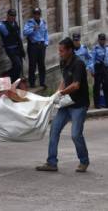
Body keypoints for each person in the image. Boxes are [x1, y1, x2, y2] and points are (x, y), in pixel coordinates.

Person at [36, 37, 90, 173]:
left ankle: (84, 161)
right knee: (54, 130)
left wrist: (61, 94)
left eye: (62, 51)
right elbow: (64, 81)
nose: (60, 53)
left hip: (79, 105)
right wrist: (56, 95)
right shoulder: (63, 62)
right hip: (66, 104)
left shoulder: (78, 64)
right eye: (59, 51)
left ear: (70, 50)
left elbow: (76, 85)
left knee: (75, 134)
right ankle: (51, 162)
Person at [0, 9, 25, 82]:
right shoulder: (3, 25)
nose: (12, 17)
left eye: (14, 16)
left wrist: (21, 49)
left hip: (17, 48)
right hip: (10, 49)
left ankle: (15, 82)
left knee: (18, 67)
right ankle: (6, 76)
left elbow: (18, 37)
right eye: (11, 15)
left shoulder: (15, 24)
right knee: (18, 65)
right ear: (7, 16)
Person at [23, 7, 49, 88]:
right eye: (35, 14)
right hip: (33, 45)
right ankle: (32, 83)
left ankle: (42, 82)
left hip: (41, 45)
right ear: (33, 14)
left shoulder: (43, 22)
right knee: (32, 64)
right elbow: (24, 32)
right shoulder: (29, 22)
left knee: (41, 64)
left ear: (40, 14)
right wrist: (33, 29)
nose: (37, 15)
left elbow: (46, 33)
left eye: (38, 14)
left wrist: (46, 43)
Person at [91, 33, 108, 108]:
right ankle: (97, 104)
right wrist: (92, 70)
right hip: (98, 68)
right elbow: (92, 60)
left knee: (106, 86)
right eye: (101, 40)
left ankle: (107, 103)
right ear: (98, 40)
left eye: (103, 40)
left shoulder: (106, 48)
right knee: (97, 87)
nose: (102, 41)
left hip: (105, 68)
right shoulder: (95, 48)